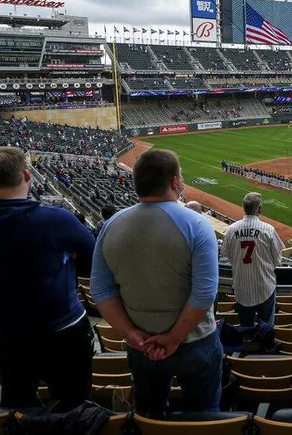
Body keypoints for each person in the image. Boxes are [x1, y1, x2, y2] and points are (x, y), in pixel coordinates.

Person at [0, 147, 96, 410]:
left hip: (0, 333)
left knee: (16, 399)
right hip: (61, 330)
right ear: (26, 175)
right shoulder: (55, 219)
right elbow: (93, 259)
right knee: (74, 406)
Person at [90, 149, 221, 417]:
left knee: (149, 414)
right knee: (205, 415)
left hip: (142, 344)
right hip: (195, 342)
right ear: (174, 182)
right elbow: (205, 292)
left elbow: (101, 290)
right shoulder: (197, 224)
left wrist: (130, 334)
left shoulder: (111, 224)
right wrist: (173, 339)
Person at [221, 192, 284, 327]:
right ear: (259, 209)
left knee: (245, 327)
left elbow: (226, 255)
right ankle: (266, 346)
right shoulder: (268, 229)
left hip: (242, 288)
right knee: (267, 326)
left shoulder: (231, 229)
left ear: (244, 208)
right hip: (265, 287)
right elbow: (277, 261)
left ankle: (248, 345)